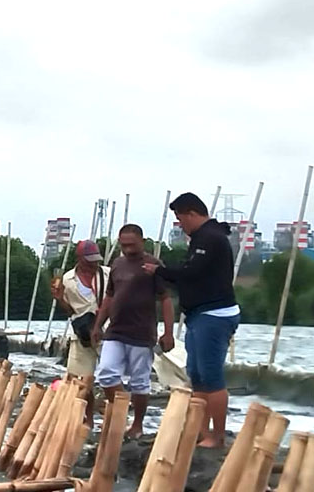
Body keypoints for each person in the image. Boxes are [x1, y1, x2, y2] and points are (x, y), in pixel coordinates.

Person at [144, 192, 240, 448]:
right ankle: (200, 430)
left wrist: (160, 271)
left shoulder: (210, 238)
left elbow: (192, 272)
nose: (180, 225)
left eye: (180, 219)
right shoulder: (202, 238)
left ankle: (217, 435)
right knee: (197, 375)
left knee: (211, 376)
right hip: (199, 315)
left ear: (192, 213)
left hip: (214, 313)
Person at [92, 223, 175, 439]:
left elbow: (165, 299)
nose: (128, 249)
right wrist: (98, 324)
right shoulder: (117, 264)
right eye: (124, 245)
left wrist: (168, 332)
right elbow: (110, 297)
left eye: (132, 245)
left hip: (141, 331)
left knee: (140, 380)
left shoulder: (153, 264)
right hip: (116, 329)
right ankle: (122, 414)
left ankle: (137, 424)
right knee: (106, 373)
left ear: (142, 241)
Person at [52, 240, 109, 421]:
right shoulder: (68, 280)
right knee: (83, 377)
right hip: (82, 333)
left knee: (112, 375)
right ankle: (87, 417)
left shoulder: (108, 274)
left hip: (107, 330)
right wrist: (60, 299)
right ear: (80, 259)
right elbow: (70, 310)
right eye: (89, 260)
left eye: (95, 259)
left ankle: (113, 414)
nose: (94, 263)